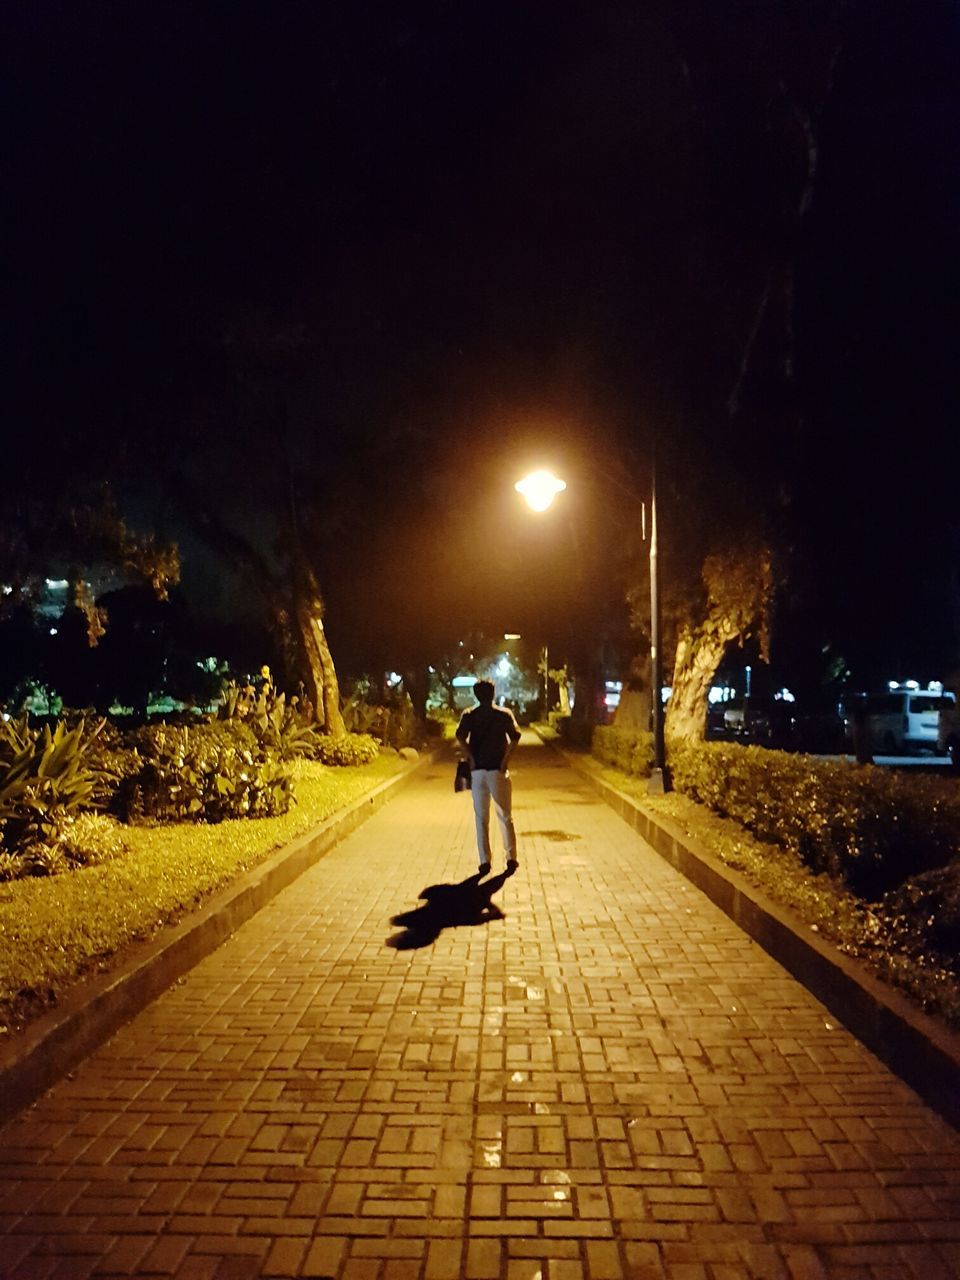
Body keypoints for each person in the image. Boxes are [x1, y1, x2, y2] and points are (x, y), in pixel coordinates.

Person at [455, 679, 521, 877]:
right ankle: (511, 858)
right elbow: (516, 737)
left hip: (478, 773)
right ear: (493, 694)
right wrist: (505, 760)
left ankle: (485, 861)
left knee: (481, 817)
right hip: (497, 771)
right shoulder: (503, 714)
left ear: (476, 695)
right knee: (505, 815)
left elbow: (460, 736)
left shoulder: (469, 715)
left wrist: (471, 757)